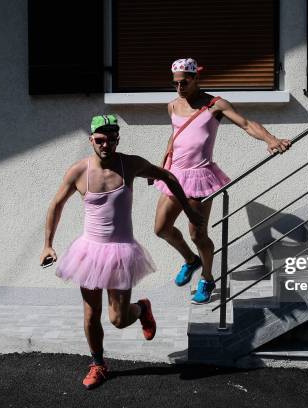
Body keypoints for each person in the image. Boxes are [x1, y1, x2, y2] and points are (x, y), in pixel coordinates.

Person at [40, 114, 204, 390]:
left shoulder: (130, 165)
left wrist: (188, 211)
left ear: (117, 139)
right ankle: (98, 364)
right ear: (91, 139)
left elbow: (167, 176)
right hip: (89, 252)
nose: (106, 145)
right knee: (91, 315)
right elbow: (56, 205)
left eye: (111, 139)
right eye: (100, 140)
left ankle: (141, 309)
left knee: (118, 319)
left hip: (120, 252)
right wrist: (47, 244)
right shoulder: (78, 171)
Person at [153, 58, 291, 304]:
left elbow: (246, 124)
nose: (179, 88)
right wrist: (161, 168)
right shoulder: (172, 106)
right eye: (175, 84)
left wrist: (271, 139)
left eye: (184, 82)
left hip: (199, 176)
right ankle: (190, 260)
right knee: (161, 228)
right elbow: (174, 138)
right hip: (174, 175)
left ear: (197, 78)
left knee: (197, 234)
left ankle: (206, 278)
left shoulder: (214, 105)